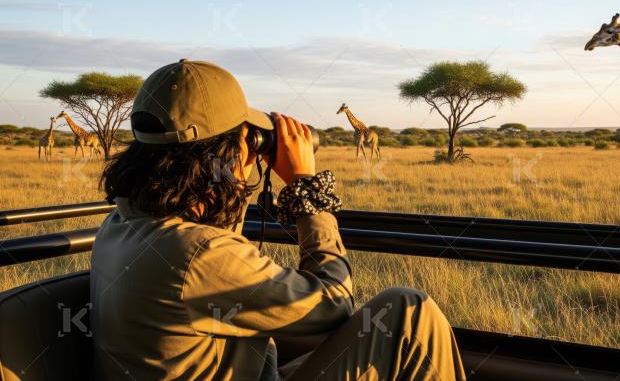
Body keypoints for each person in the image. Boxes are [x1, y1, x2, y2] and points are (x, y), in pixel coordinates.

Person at [90, 59, 466, 381]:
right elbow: (334, 303)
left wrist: (229, 178)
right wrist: (306, 189)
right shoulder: (197, 253)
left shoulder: (120, 225)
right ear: (217, 157)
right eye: (245, 139)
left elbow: (208, 240)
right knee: (406, 315)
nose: (252, 150)